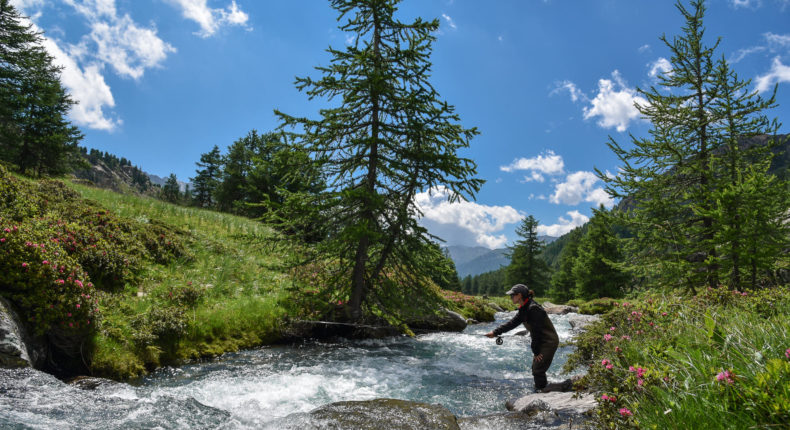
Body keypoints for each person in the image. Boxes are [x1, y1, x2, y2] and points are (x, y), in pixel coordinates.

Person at [485, 283, 559, 392]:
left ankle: (543, 393)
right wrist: (495, 332)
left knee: (538, 370)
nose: (511, 297)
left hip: (548, 341)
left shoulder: (533, 309)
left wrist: (536, 351)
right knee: (536, 368)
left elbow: (536, 332)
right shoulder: (524, 307)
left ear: (519, 295)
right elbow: (513, 323)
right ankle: (542, 390)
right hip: (541, 340)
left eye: (512, 295)